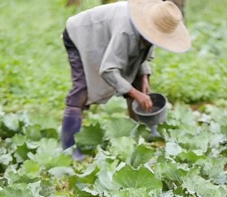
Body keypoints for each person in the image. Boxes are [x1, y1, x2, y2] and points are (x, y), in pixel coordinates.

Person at [61, 0, 191, 160]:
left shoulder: (150, 25)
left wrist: (144, 79)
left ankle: (145, 134)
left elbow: (141, 56)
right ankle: (69, 149)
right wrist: (136, 94)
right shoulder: (126, 31)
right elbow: (108, 70)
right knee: (81, 91)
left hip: (106, 35)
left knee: (137, 85)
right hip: (81, 34)